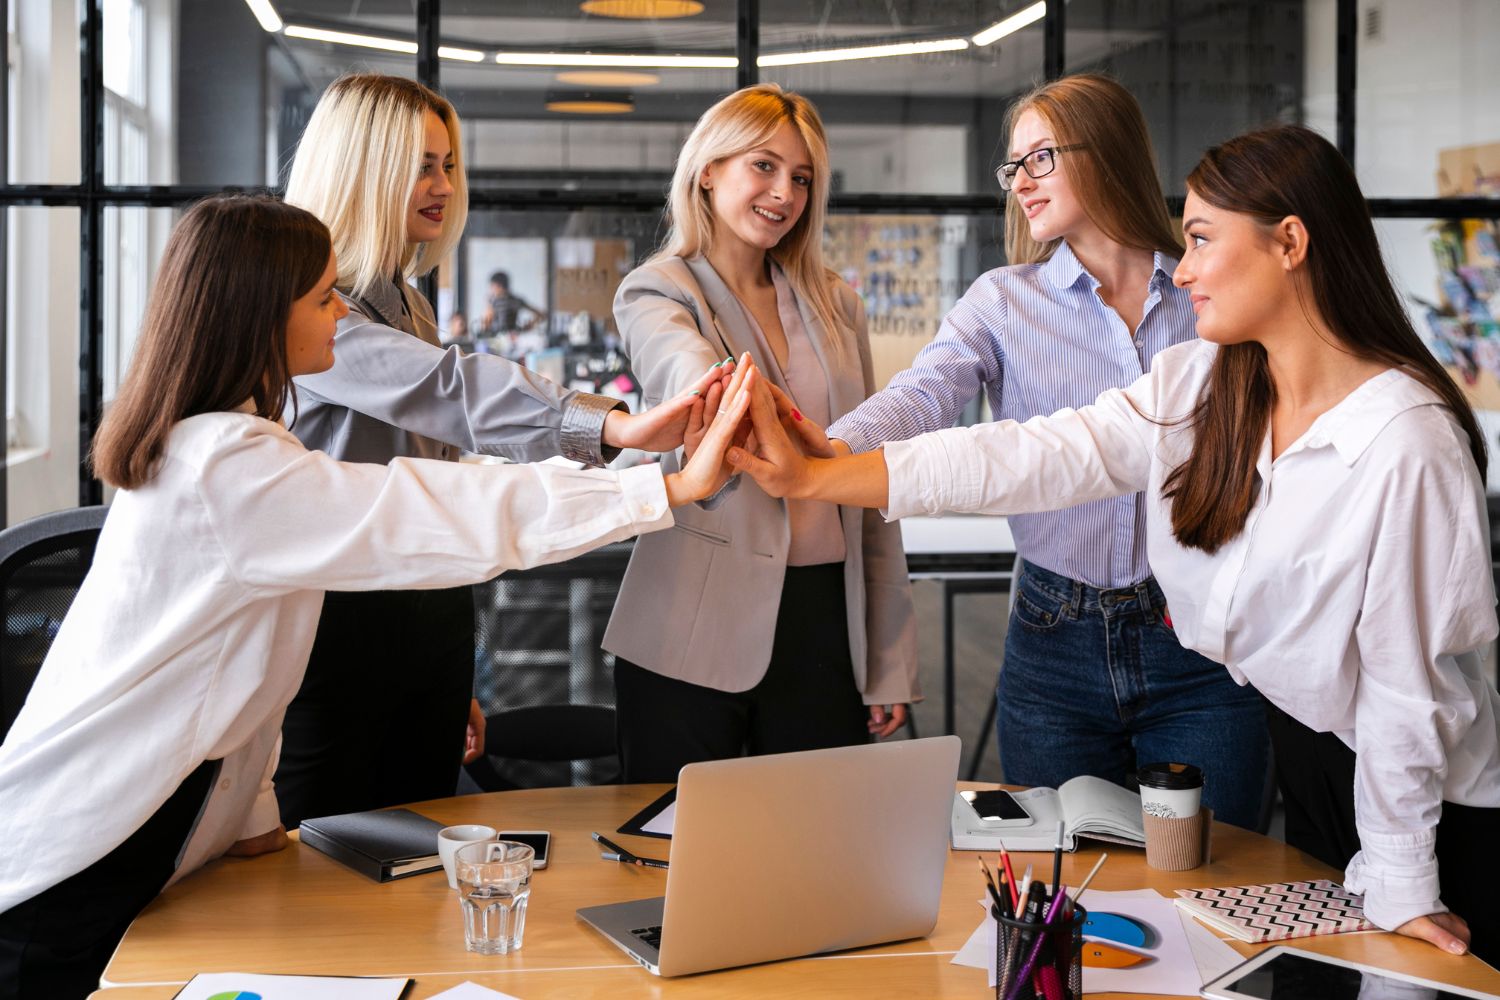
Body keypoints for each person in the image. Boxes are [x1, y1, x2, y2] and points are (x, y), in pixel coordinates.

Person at [731, 124, 1500, 963]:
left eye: (1204, 239)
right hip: (1314, 752)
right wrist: (818, 474)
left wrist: (1402, 878)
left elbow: (1402, 689)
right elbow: (1029, 453)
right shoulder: (1206, 382)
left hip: (1431, 806)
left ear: (1291, 242)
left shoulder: (1404, 439)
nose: (1189, 266)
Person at [0, 195, 755, 999]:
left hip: (153, 846)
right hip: (76, 871)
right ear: (262, 312)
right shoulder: (226, 466)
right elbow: (423, 513)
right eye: (324, 297)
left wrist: (254, 825)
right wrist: (663, 491)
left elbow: (233, 679)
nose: (343, 315)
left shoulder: (231, 447)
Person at [793, 74, 1267, 827]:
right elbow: (924, 394)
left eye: (1039, 159)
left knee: (1213, 874)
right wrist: (825, 449)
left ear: (1105, 152)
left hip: (1199, 644)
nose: (1020, 183)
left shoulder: (1204, 291)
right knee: (1062, 884)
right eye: (1012, 167)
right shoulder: (1004, 300)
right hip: (1055, 641)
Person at [278, 74, 728, 828]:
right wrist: (612, 427)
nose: (443, 185)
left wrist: (456, 675)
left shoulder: (407, 301)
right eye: (421, 164)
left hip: (426, 614)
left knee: (414, 860)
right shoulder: (317, 318)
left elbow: (441, 476)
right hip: (336, 626)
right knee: (322, 865)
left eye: (449, 165)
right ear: (363, 168)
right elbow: (449, 391)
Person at [601, 84, 919, 782]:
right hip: (691, 618)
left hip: (823, 622)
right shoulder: (658, 290)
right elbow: (694, 381)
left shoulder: (837, 303)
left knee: (813, 855)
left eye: (802, 178)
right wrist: (715, 395)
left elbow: (869, 481)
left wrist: (887, 660)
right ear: (708, 170)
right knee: (674, 857)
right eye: (765, 166)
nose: (786, 192)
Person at [481, 270, 546, 333]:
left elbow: (486, 324)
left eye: (492, 286)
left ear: (499, 286)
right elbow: (542, 315)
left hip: (496, 339)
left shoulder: (493, 301)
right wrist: (527, 327)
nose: (491, 289)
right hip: (514, 337)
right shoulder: (517, 300)